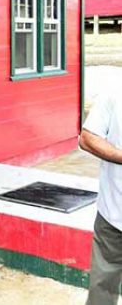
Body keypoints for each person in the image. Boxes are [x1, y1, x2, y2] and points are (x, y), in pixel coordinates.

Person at [80, 91, 122, 305]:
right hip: (113, 216)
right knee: (102, 290)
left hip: (112, 212)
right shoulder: (115, 92)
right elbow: (86, 138)